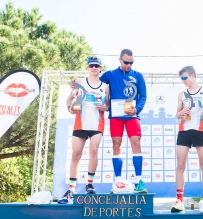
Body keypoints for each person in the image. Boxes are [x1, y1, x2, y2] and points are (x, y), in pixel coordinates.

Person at [58, 56, 109, 204]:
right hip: (80, 123)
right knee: (75, 155)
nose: (94, 68)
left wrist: (104, 107)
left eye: (96, 66)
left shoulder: (105, 86)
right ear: (88, 67)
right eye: (91, 65)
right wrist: (70, 108)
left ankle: (89, 184)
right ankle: (71, 189)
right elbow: (69, 100)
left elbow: (107, 106)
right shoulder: (79, 82)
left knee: (94, 151)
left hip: (97, 124)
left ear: (100, 68)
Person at [100, 49, 148, 193]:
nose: (129, 65)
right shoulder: (110, 74)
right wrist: (78, 84)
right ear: (120, 60)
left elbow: (143, 96)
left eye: (131, 63)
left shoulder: (138, 75)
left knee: (136, 143)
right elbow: (97, 85)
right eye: (126, 62)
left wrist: (136, 109)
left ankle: (139, 180)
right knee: (116, 145)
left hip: (131, 116)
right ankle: (118, 181)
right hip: (115, 116)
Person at [172, 66, 203, 212]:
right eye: (181, 79)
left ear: (192, 75)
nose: (183, 81)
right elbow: (177, 114)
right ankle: (179, 200)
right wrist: (181, 113)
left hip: (200, 130)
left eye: (184, 78)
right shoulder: (182, 94)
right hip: (184, 130)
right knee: (180, 165)